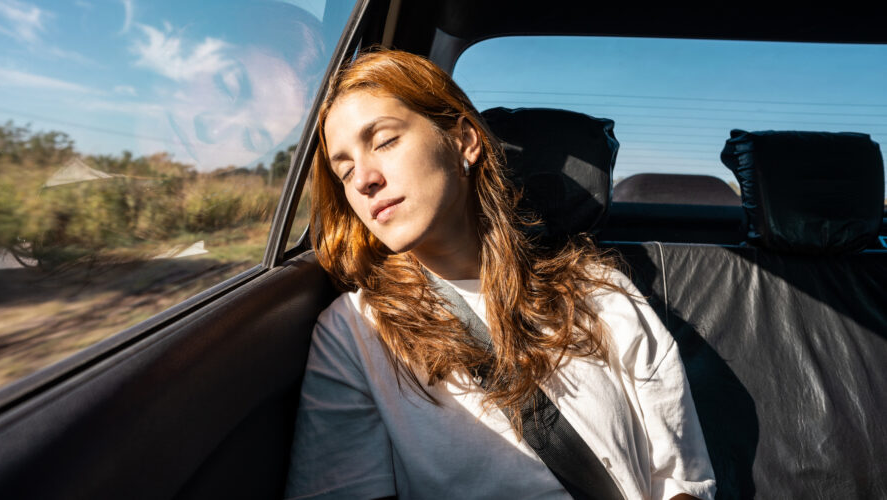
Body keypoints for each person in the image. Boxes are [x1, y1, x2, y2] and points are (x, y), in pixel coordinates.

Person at [286, 48, 716, 500]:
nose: (363, 179)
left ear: (465, 140)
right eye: (345, 168)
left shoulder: (598, 290)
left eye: (385, 141)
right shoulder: (354, 333)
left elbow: (681, 479)